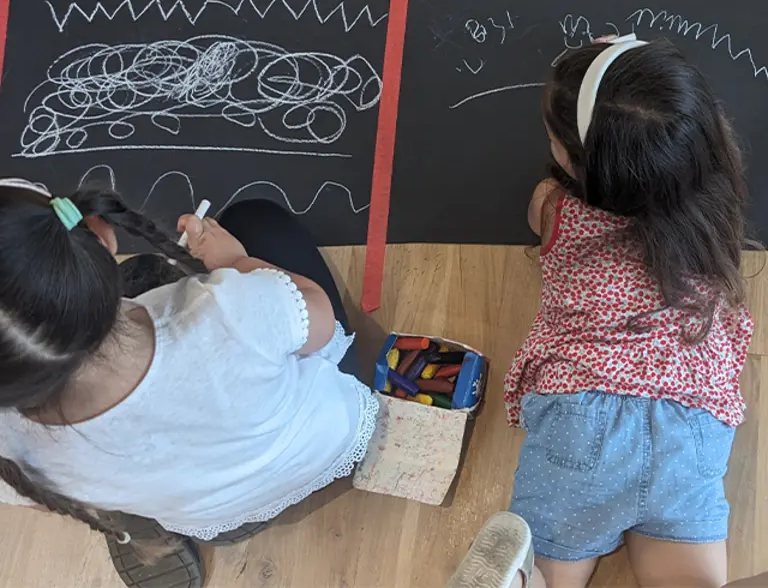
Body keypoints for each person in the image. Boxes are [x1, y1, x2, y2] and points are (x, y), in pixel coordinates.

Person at [453, 35, 754, 588]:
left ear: (583, 165)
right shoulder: (717, 208)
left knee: (548, 565)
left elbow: (542, 200)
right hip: (689, 424)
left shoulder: (556, 207)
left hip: (581, 422)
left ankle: (525, 582)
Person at [0, 179, 379, 588]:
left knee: (119, 485)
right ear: (100, 232)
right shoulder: (228, 309)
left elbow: (42, 498)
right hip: (320, 448)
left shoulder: (9, 443)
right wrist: (235, 261)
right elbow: (318, 321)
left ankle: (139, 529)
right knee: (255, 217)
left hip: (211, 517)